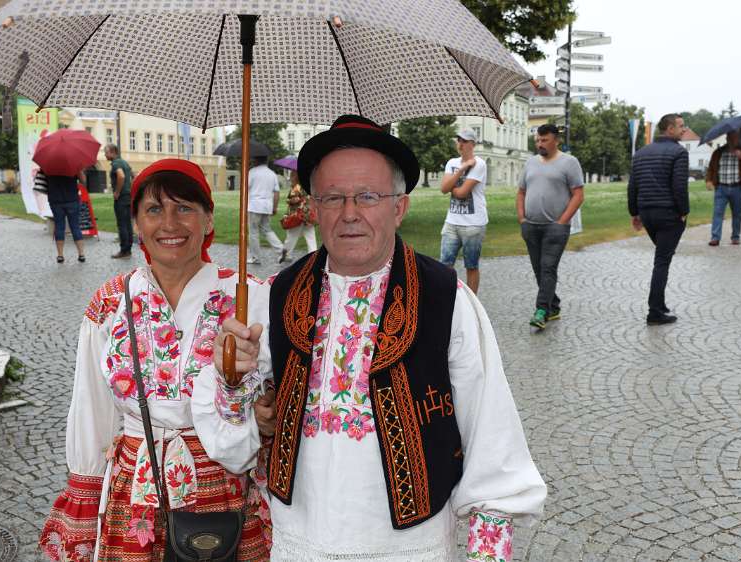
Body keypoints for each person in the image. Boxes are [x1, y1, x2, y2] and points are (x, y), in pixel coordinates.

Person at [203, 115, 547, 562]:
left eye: (368, 196)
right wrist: (233, 378)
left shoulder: (445, 298)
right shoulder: (277, 296)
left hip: (409, 549)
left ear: (399, 207)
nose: (350, 213)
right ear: (314, 208)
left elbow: (492, 440)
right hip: (299, 539)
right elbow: (236, 445)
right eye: (332, 197)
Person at [39, 159, 271, 561]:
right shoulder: (112, 302)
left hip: (227, 487)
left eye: (184, 208)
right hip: (136, 492)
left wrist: (265, 409)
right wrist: (86, 488)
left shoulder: (250, 297)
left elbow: (279, 395)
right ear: (136, 222)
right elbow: (91, 406)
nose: (169, 223)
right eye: (153, 209)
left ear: (208, 218)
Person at [516, 124, 584, 330]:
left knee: (548, 267)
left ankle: (541, 311)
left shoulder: (569, 162)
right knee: (539, 269)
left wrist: (562, 221)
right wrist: (522, 218)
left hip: (555, 228)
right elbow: (521, 192)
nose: (540, 144)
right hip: (530, 226)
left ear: (556, 140)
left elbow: (578, 195)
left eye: (544, 140)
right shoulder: (530, 163)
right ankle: (553, 305)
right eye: (538, 140)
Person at [628, 113, 690, 326]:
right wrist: (684, 211)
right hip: (669, 214)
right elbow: (679, 186)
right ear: (669, 129)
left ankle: (660, 305)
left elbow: (633, 186)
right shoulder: (679, 152)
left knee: (662, 258)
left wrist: (634, 213)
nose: (684, 129)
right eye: (681, 126)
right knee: (662, 261)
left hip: (647, 214)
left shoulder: (641, 153)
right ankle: (654, 312)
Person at [439, 128, 488, 293]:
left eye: (465, 141)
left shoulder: (479, 164)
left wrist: (451, 186)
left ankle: (472, 303)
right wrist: (461, 169)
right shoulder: (452, 163)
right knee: (444, 264)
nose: (460, 144)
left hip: (473, 225)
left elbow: (461, 193)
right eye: (459, 140)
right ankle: (446, 299)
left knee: (471, 265)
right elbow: (443, 189)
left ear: (472, 144)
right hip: (451, 222)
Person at [706, 130, 741, 246]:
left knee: (737, 214)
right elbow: (711, 168)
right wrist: (708, 180)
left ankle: (735, 237)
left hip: (737, 188)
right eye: (730, 138)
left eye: (735, 138)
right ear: (727, 138)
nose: (733, 140)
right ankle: (715, 238)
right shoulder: (718, 152)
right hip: (721, 188)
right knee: (717, 213)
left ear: (738, 139)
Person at [45, 169, 86, 263]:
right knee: (75, 227)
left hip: (55, 200)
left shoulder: (48, 166)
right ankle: (81, 254)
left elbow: (44, 183)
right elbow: (83, 181)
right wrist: (80, 170)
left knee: (59, 227)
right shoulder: (73, 165)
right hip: (72, 199)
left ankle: (60, 255)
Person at [247, 156, 283, 265]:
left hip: (254, 205)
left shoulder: (252, 172)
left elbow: (245, 188)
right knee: (267, 229)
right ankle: (281, 249)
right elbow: (276, 192)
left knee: (253, 232)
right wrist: (275, 207)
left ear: (256, 160)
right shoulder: (272, 174)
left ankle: (255, 257)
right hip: (267, 206)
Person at [278, 169, 317, 263]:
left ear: (296, 177)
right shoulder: (309, 186)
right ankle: (313, 255)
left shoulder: (297, 187)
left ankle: (286, 254)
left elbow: (294, 200)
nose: (290, 177)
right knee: (310, 237)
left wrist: (288, 201)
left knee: (292, 236)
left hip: (297, 216)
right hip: (308, 215)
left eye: (292, 175)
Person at [105, 143, 134, 258]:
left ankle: (124, 250)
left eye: (106, 152)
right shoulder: (124, 162)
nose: (105, 155)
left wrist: (117, 191)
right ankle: (128, 249)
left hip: (121, 198)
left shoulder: (116, 163)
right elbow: (133, 175)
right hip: (128, 196)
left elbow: (121, 176)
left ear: (113, 152)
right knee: (128, 224)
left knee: (122, 224)